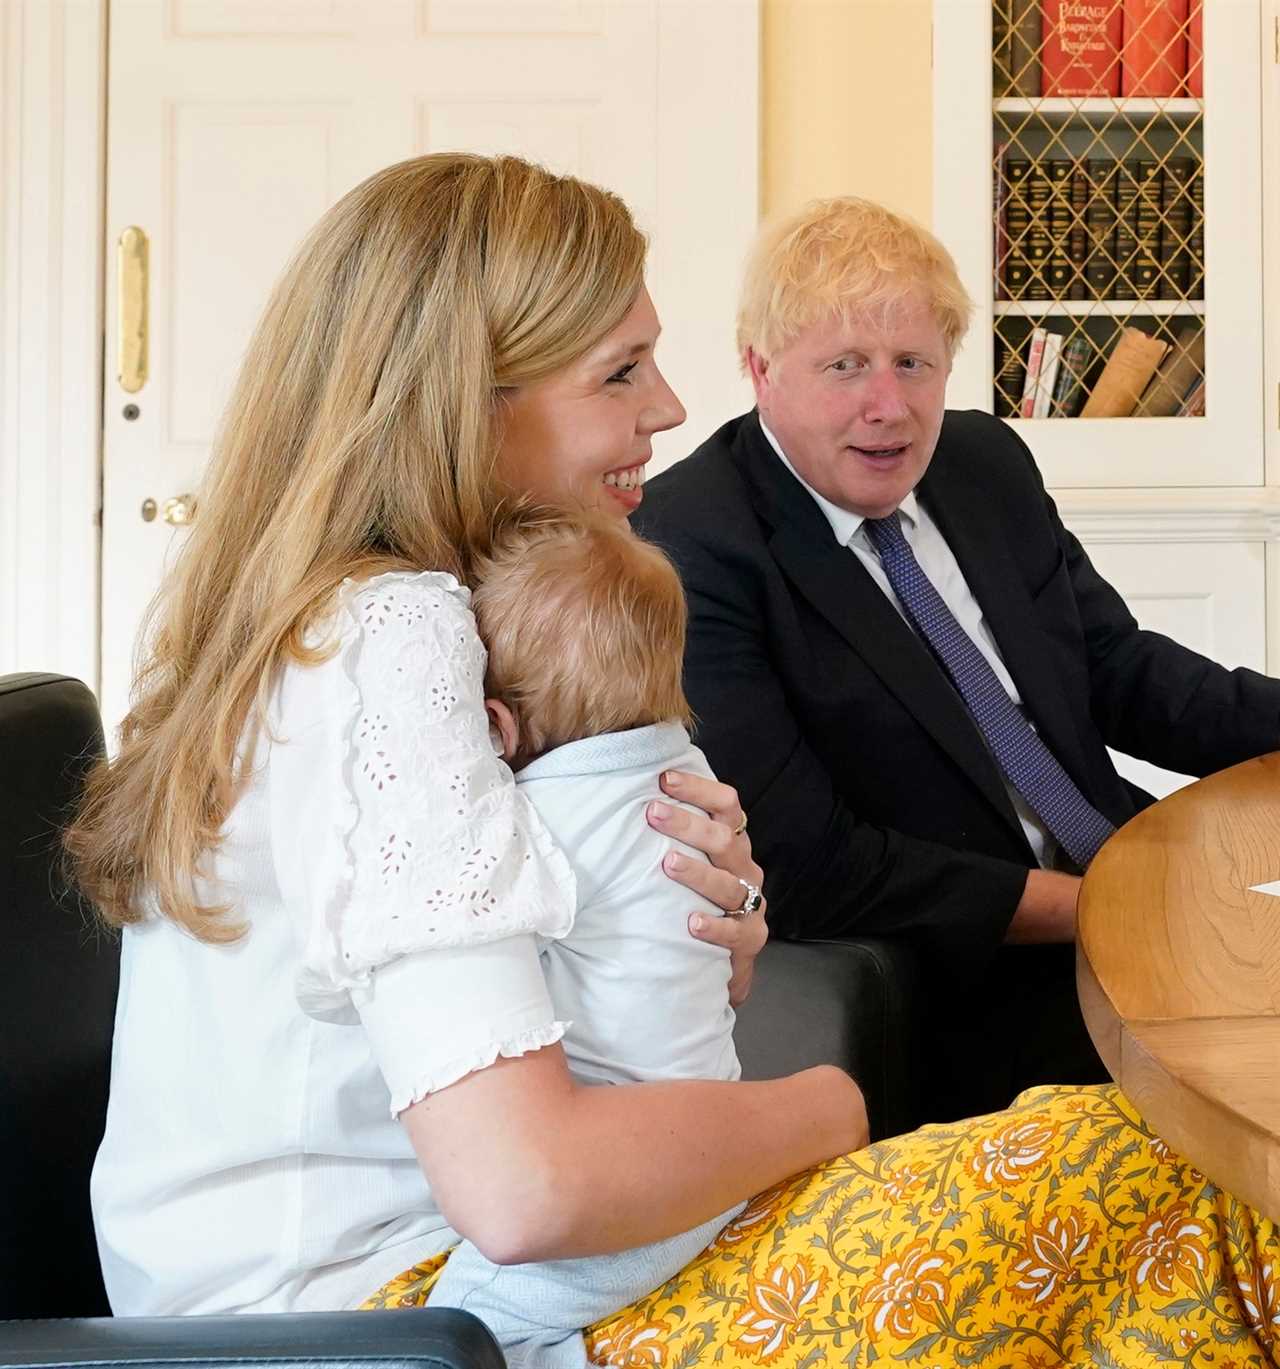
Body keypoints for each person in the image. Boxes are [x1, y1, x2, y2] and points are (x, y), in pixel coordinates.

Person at [70, 155, 1277, 1367]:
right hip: (402, 1312)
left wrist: (697, 946)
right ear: (463, 397)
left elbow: (476, 1034)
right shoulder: (396, 637)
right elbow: (528, 1187)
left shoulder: (340, 612)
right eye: (619, 372)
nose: (665, 406)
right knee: (1173, 1190)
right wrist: (831, 1107)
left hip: (418, 1273)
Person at [633, 196, 1280, 1122]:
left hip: (1125, 883)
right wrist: (1105, 905)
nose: (889, 408)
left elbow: (1118, 670)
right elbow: (815, 862)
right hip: (964, 976)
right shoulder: (692, 544)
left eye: (913, 364)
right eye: (846, 367)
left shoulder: (982, 461)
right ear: (759, 368)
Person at [427, 505, 748, 1366]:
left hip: (623, 1189)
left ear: (497, 727)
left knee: (460, 1324)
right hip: (710, 1146)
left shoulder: (537, 826)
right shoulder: (694, 782)